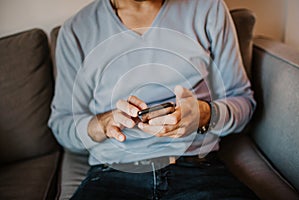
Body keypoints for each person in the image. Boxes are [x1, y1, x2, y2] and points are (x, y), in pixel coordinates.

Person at [48, 0, 258, 199]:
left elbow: (243, 102)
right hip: (113, 173)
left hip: (197, 168)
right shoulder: (76, 31)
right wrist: (102, 124)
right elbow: (62, 125)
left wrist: (204, 115)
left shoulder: (208, 8)